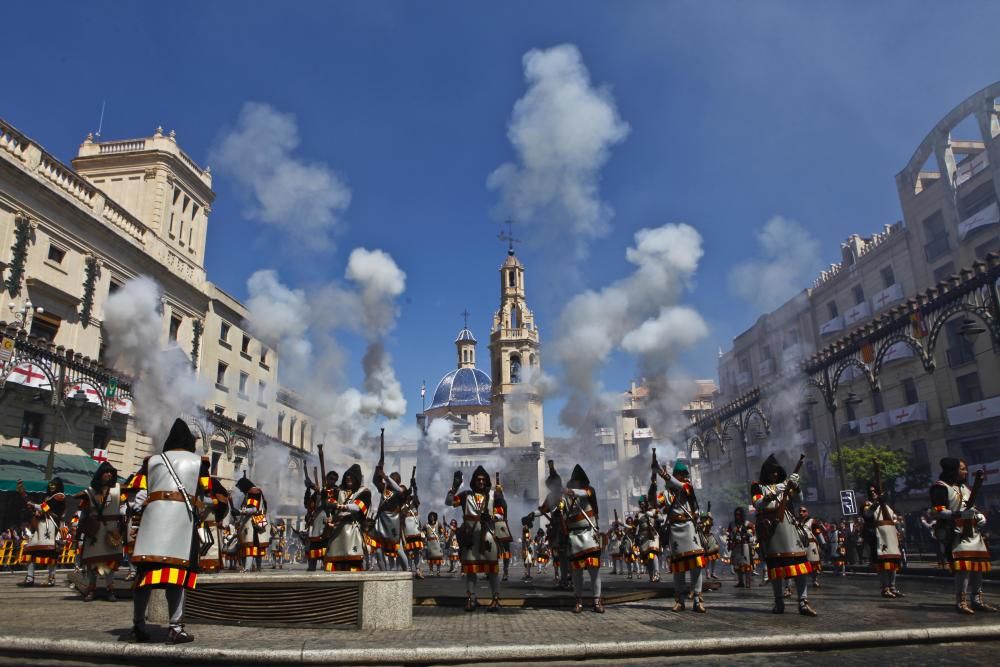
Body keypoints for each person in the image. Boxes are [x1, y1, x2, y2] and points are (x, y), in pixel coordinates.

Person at [128, 418, 211, 643]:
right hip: (181, 524)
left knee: (145, 577)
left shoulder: (152, 461)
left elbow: (137, 497)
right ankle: (175, 627)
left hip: (152, 525)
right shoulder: (198, 462)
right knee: (178, 577)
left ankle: (137, 625)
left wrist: (143, 511)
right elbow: (206, 495)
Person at [753, 455, 816, 616]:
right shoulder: (758, 487)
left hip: (789, 527)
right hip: (772, 531)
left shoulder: (786, 485)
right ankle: (779, 601)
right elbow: (758, 504)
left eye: (776, 472)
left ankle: (803, 601)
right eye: (771, 472)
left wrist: (796, 485)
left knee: (801, 567)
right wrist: (779, 488)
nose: (774, 475)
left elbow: (800, 499)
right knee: (776, 570)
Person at [930, 457, 995, 614]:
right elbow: (937, 511)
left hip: (974, 533)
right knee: (963, 568)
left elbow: (972, 507)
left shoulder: (965, 488)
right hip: (956, 533)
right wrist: (959, 514)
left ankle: (977, 600)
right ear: (953, 470)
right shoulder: (940, 487)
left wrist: (979, 516)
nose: (965, 472)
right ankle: (961, 601)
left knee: (977, 568)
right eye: (962, 469)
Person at [446, 466, 505, 611]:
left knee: (493, 570)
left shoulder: (493, 495)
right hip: (470, 538)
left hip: (488, 537)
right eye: (478, 479)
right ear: (474, 481)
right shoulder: (466, 495)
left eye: (483, 480)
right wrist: (454, 487)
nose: (481, 482)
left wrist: (491, 517)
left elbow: (501, 513)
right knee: (471, 570)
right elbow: (449, 502)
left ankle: (496, 599)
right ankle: (471, 598)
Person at [656, 461, 707, 613]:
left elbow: (679, 486)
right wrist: (653, 482)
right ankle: (680, 600)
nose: (685, 477)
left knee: (696, 565)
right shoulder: (664, 494)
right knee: (678, 568)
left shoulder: (687, 487)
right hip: (674, 530)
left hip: (689, 527)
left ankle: (698, 599)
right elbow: (655, 504)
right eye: (682, 475)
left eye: (685, 475)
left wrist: (663, 474)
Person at [76, 461, 125, 602]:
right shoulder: (90, 491)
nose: (109, 474)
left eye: (111, 472)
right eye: (106, 471)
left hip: (111, 532)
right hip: (95, 532)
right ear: (100, 474)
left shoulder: (118, 490)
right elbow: (84, 514)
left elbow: (125, 507)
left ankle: (110, 590)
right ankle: (91, 590)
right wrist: (79, 534)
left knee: (109, 565)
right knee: (92, 564)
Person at [562, 464, 604, 613]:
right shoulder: (566, 499)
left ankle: (597, 601)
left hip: (589, 535)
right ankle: (578, 601)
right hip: (574, 537)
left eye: (577, 481)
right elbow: (556, 509)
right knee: (577, 573)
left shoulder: (588, 491)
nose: (576, 483)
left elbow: (582, 493)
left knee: (594, 571)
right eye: (574, 481)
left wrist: (569, 491)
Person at [18, 477, 66, 587]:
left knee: (52, 554)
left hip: (52, 527)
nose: (51, 486)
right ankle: (30, 578)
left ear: (58, 486)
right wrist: (25, 497)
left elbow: (45, 507)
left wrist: (33, 504)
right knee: (30, 550)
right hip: (41, 527)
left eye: (54, 484)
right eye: (50, 484)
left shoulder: (60, 496)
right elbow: (39, 510)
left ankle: (51, 579)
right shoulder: (47, 497)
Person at [323, 463, 371, 572]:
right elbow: (328, 503)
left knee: (353, 563)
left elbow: (357, 507)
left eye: (352, 477)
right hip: (337, 532)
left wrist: (339, 506)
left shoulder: (364, 492)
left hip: (353, 531)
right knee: (332, 563)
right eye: (347, 477)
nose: (348, 478)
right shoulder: (338, 491)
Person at [863, 485, 903, 598]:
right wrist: (876, 503)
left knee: (893, 563)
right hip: (878, 536)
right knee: (882, 564)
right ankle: (885, 587)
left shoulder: (886, 506)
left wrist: (898, 531)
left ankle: (893, 587)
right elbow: (867, 514)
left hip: (891, 537)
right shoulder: (867, 504)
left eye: (875, 491)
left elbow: (894, 519)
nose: (873, 493)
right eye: (871, 491)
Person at [234, 476, 269, 572]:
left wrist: (239, 511)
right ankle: (258, 568)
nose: (241, 491)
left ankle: (247, 568)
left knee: (250, 546)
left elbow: (253, 509)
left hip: (252, 523)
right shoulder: (257, 492)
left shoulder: (252, 492)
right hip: (258, 522)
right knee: (257, 546)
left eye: (241, 488)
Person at [729, 506, 755, 589]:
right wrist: (730, 542)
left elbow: (752, 535)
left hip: (745, 546)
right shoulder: (732, 524)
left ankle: (748, 582)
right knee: (737, 565)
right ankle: (740, 582)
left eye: (739, 514)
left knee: (746, 565)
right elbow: (730, 534)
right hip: (736, 546)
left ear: (742, 515)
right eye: (736, 514)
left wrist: (747, 533)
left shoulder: (748, 524)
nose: (737, 516)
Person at [798, 507, 824, 588]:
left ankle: (815, 580)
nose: (801, 513)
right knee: (799, 563)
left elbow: (818, 532)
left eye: (803, 511)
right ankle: (801, 580)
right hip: (800, 544)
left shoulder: (812, 521)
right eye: (800, 511)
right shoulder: (796, 522)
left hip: (811, 544)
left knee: (814, 563)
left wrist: (823, 542)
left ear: (807, 512)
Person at [423, 512, 445, 576]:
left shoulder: (439, 524)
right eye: (431, 516)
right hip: (430, 543)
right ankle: (431, 571)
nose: (432, 517)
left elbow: (442, 532)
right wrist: (423, 535)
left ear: (435, 517)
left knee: (438, 557)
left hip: (437, 543)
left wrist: (443, 531)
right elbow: (423, 533)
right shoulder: (426, 525)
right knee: (430, 558)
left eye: (433, 516)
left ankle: (438, 571)